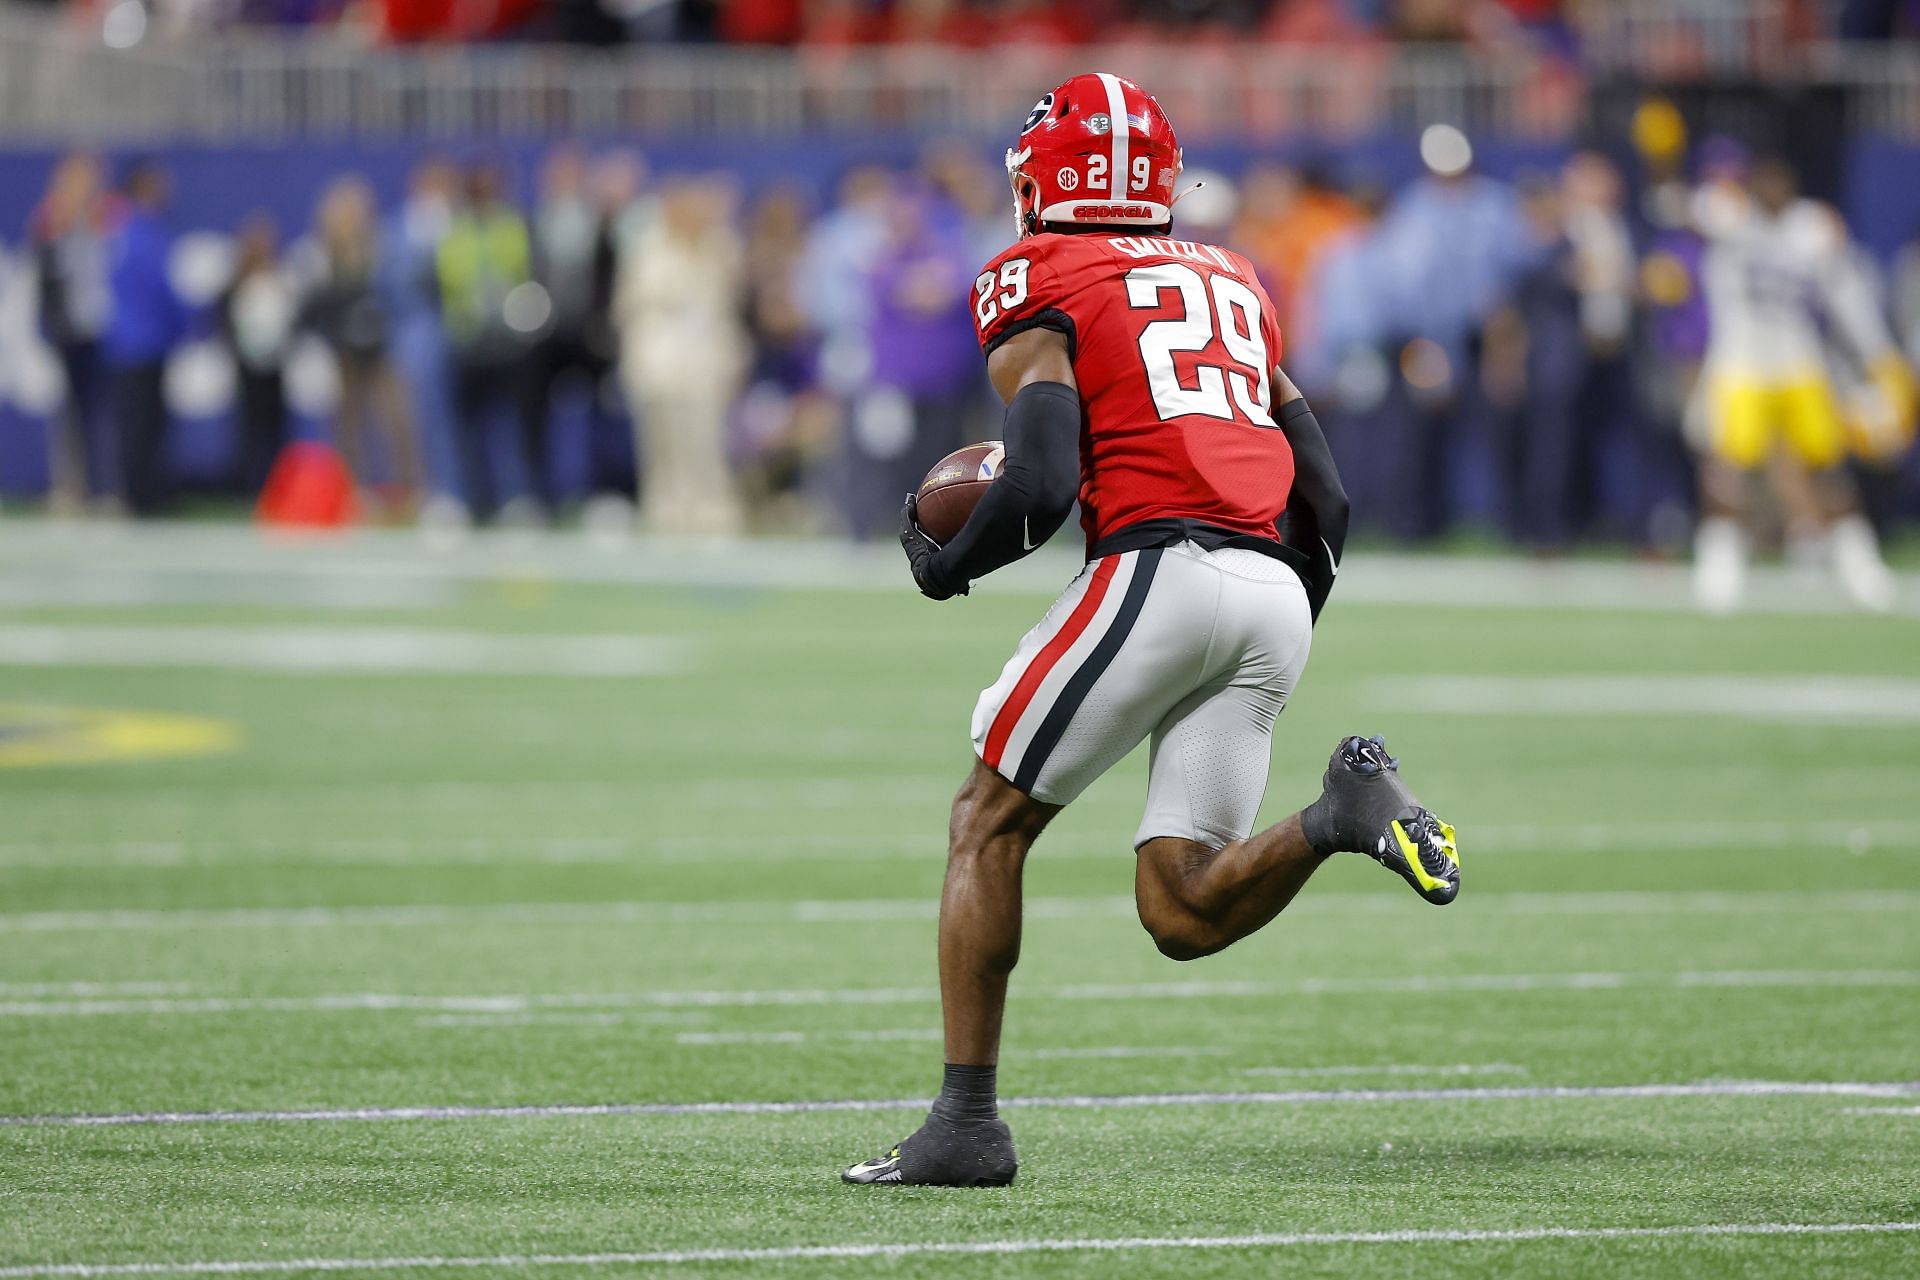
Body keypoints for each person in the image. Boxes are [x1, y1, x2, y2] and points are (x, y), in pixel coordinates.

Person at [844, 74, 1460, 1189]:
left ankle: (966, 1127)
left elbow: (1033, 486)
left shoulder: (1036, 275)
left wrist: (948, 563)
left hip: (1159, 567)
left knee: (987, 821)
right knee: (1181, 904)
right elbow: (1326, 492)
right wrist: (1270, 622)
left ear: (1045, 181)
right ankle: (1339, 814)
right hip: (1274, 585)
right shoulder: (1231, 275)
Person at [1691, 153, 1901, 612]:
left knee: (1827, 465)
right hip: (1740, 363)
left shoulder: (1812, 228)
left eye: (1780, 185)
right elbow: (1694, 206)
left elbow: (1846, 294)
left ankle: (1859, 565)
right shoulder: (1731, 217)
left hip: (1798, 363)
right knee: (1730, 465)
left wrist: (1876, 356)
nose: (1772, 192)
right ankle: (1720, 563)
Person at [614, 176, 748, 535]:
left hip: (705, 364)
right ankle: (664, 512)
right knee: (660, 444)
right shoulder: (648, 249)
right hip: (657, 363)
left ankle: (713, 512)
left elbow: (729, 298)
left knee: (705, 442)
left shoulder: (718, 247)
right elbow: (629, 305)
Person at [303, 176, 421, 518]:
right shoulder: (322, 252)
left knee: (396, 418)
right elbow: (316, 304)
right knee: (349, 423)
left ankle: (409, 491)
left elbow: (393, 296)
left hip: (380, 348)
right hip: (344, 350)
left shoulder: (379, 245)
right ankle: (353, 491)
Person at [438, 159, 537, 522]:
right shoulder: (456, 229)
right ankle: (468, 498)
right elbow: (448, 273)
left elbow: (520, 269)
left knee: (507, 422)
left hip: (504, 340)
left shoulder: (511, 226)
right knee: (466, 426)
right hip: (467, 339)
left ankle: (514, 496)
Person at [30, 153, 116, 515]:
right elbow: (47, 276)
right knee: (70, 413)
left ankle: (104, 487)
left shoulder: (107, 215)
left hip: (102, 328)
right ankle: (70, 485)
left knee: (102, 411)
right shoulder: (53, 218)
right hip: (70, 330)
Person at [103, 159, 186, 517]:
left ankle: (138, 491)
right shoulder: (142, 232)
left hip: (128, 341)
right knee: (143, 425)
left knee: (138, 423)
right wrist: (181, 326)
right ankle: (143, 494)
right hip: (145, 342)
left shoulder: (121, 230)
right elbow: (160, 290)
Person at [220, 212, 297, 496]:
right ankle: (251, 486)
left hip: (274, 364)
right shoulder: (239, 280)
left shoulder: (278, 277)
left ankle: (277, 487)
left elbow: (291, 318)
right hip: (248, 364)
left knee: (275, 427)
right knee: (250, 427)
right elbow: (225, 318)